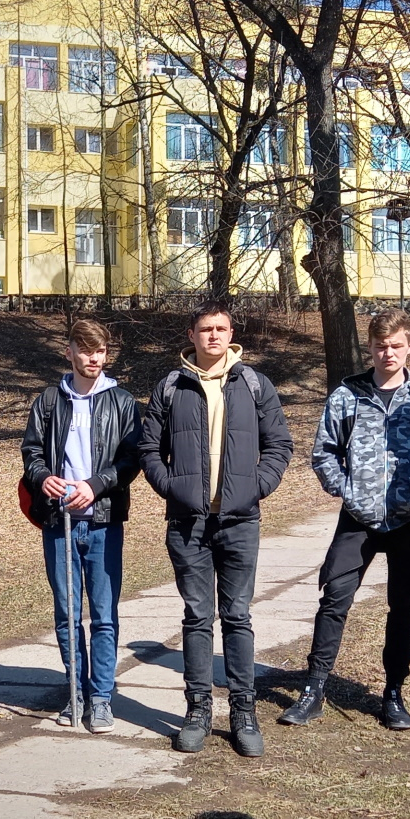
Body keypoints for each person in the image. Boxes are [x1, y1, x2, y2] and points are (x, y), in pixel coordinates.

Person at [140, 301, 294, 757]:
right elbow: (149, 449)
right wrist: (173, 489)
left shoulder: (253, 383)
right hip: (188, 523)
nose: (213, 336)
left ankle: (244, 711)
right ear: (192, 334)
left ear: (231, 334)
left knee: (239, 616)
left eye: (221, 329)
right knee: (196, 617)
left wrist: (254, 488)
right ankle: (198, 711)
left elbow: (280, 444)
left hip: (240, 521)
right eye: (205, 329)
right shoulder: (171, 386)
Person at [289, 308, 410, 731]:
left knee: (403, 605)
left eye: (395, 346)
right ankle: (314, 688)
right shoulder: (347, 396)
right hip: (359, 518)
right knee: (334, 599)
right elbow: (324, 452)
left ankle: (393, 693)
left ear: (409, 345)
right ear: (369, 348)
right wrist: (346, 489)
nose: (388, 353)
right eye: (380, 346)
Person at [21, 319, 141, 732]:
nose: (93, 358)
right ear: (68, 351)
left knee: (104, 615)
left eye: (100, 351)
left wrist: (95, 485)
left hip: (104, 522)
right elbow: (31, 452)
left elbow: (130, 460)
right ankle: (76, 693)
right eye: (85, 350)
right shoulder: (49, 401)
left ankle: (102, 698)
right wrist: (42, 477)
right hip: (60, 523)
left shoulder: (122, 401)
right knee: (67, 614)